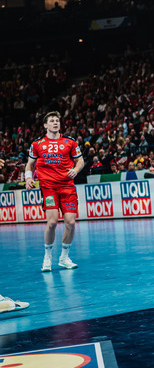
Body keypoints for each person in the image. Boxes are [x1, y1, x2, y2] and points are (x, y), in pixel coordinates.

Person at [25, 112, 85, 272]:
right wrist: (28, 178)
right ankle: (47, 258)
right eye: (51, 121)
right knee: (52, 223)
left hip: (67, 187)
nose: (55, 123)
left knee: (71, 223)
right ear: (45, 125)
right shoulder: (37, 144)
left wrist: (76, 169)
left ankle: (64, 258)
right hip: (48, 187)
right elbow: (29, 165)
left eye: (57, 120)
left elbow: (80, 160)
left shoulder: (70, 142)